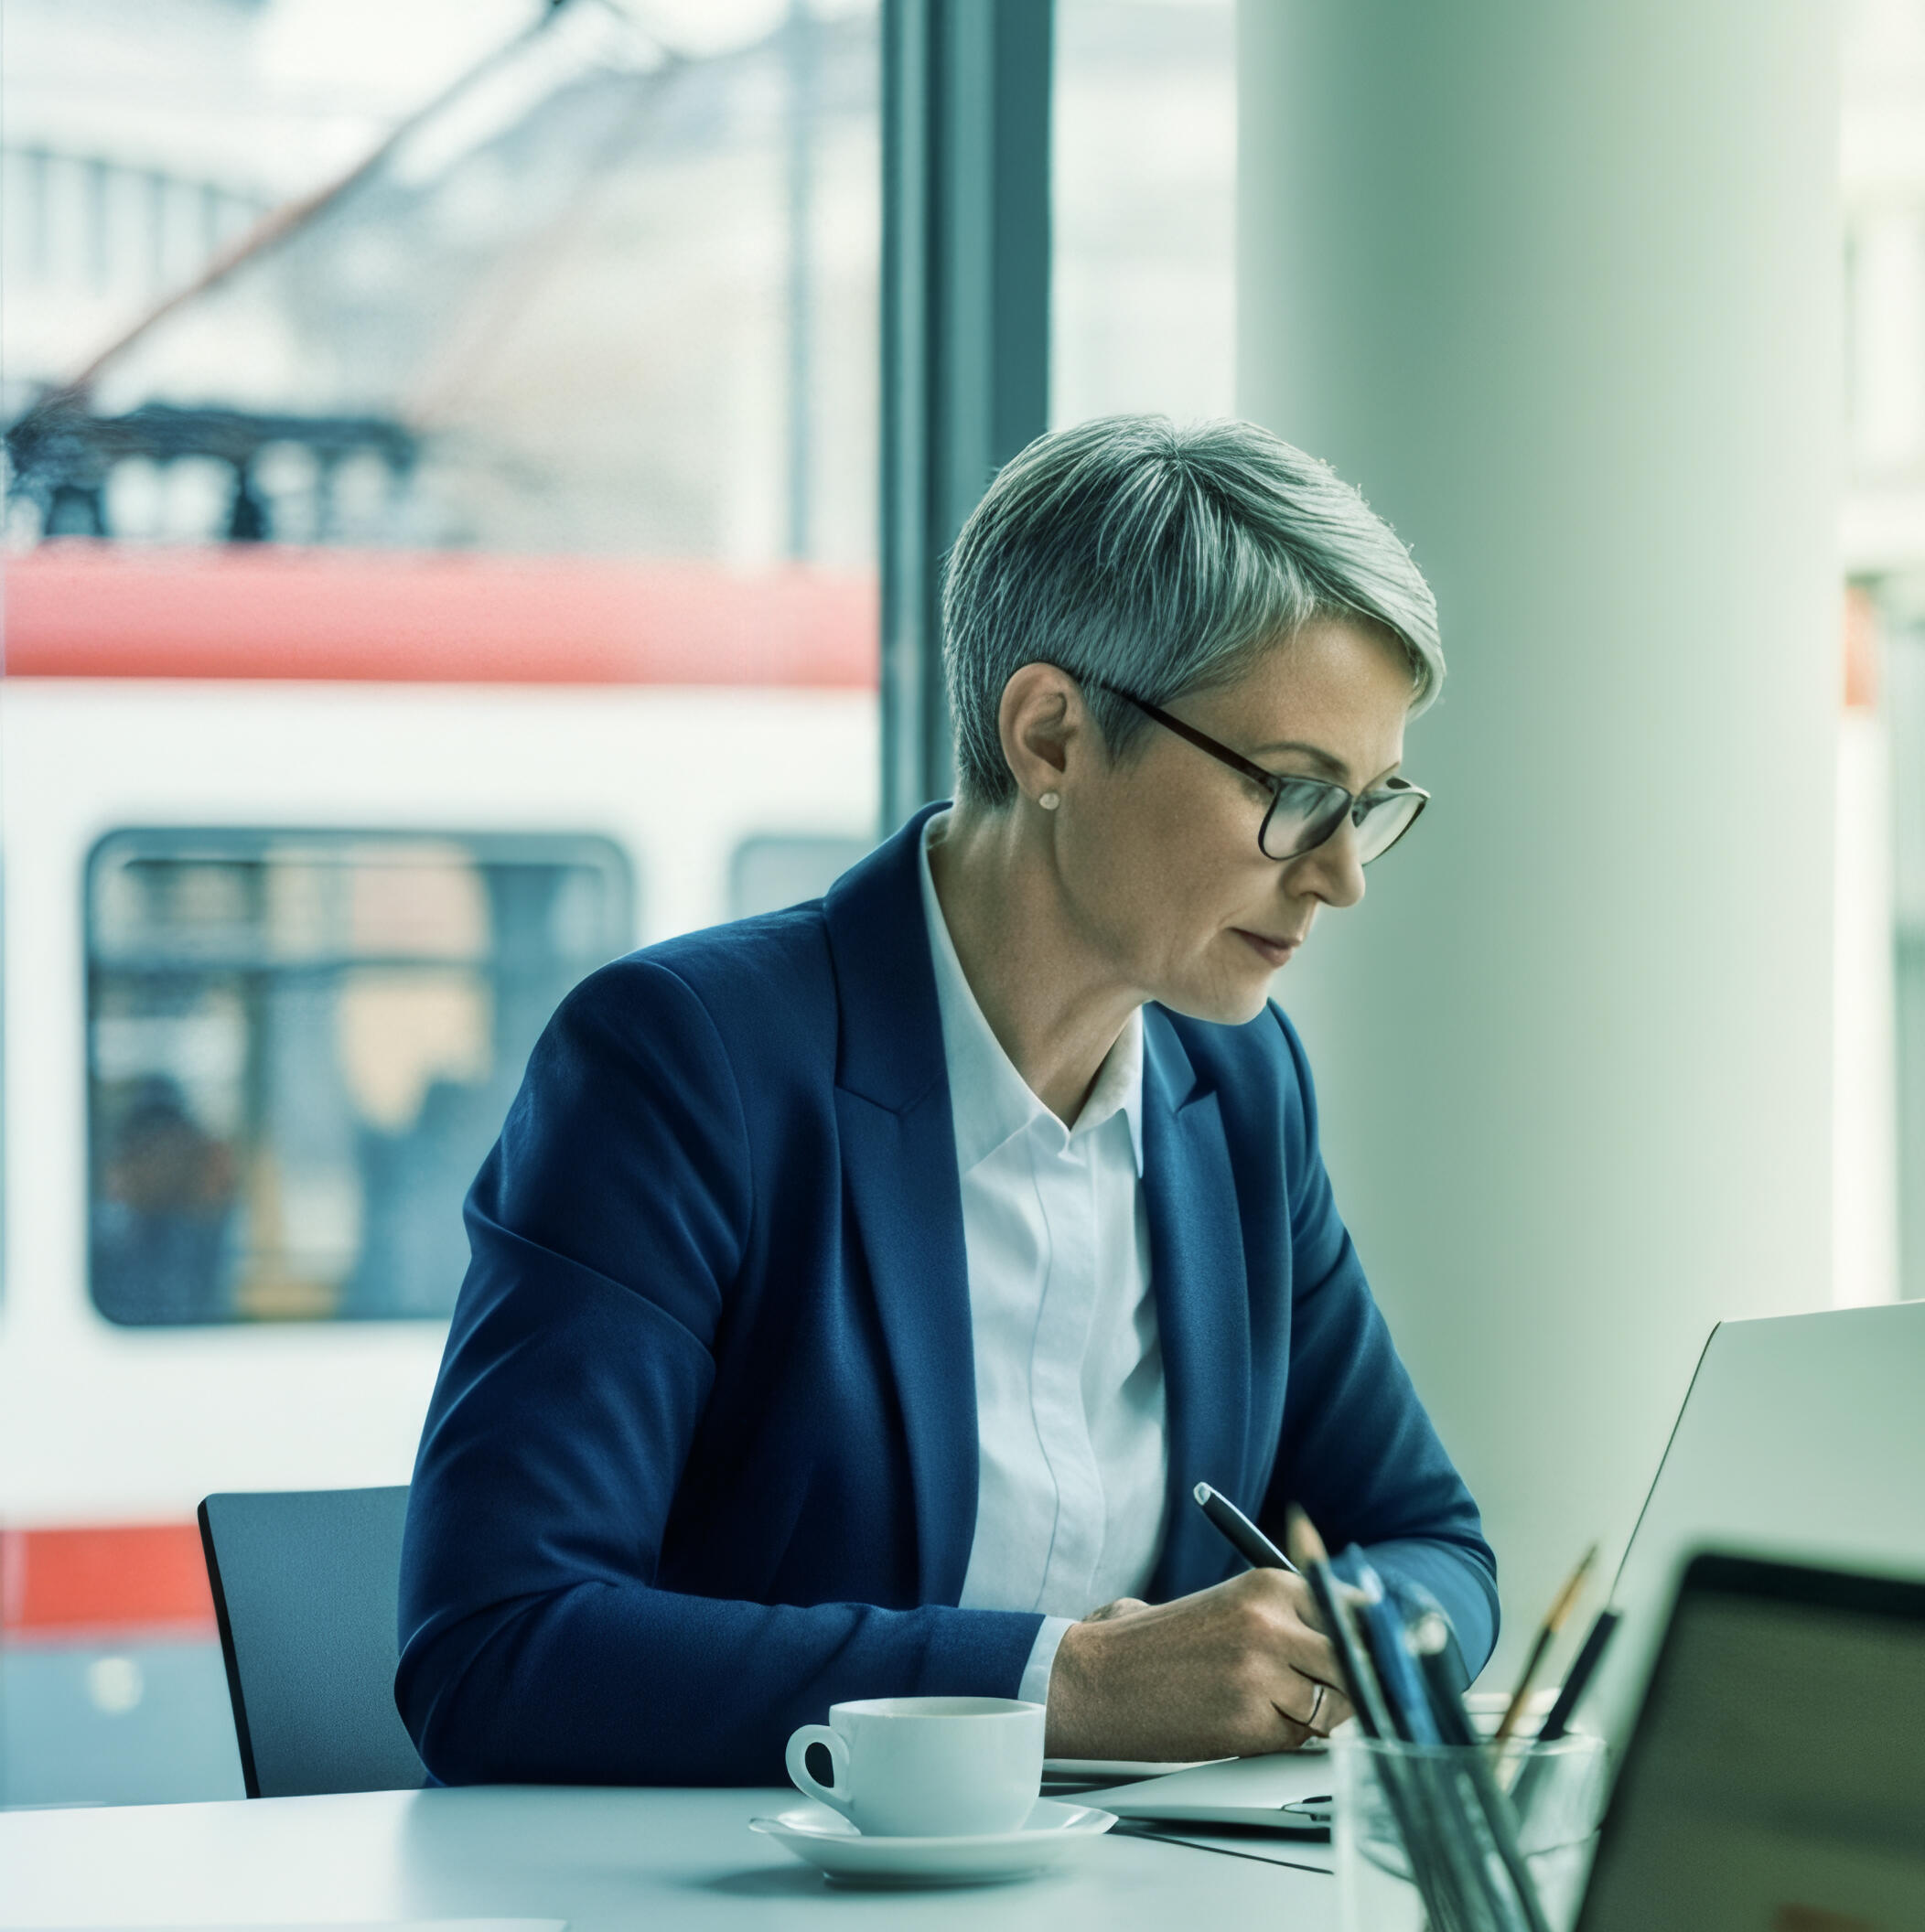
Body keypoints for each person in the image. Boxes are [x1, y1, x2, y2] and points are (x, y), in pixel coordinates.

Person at [394, 416, 1494, 1783]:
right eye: (1293, 794)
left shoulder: (1236, 1088)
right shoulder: (685, 1064)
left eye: (1372, 803)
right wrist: (1069, 1686)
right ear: (1051, 737)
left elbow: (1434, 1548)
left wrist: (1320, 1654)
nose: (1341, 877)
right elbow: (497, 1650)